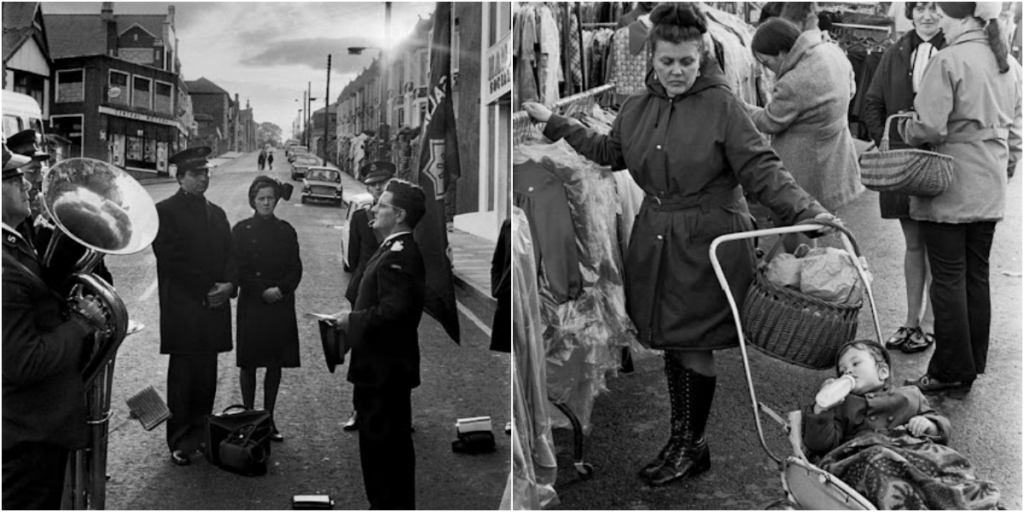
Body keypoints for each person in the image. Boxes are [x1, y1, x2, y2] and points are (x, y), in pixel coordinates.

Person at [522, 3, 837, 487]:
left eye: (686, 62)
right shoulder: (636, 107)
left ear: (702, 55)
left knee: (693, 344)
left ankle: (692, 443)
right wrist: (554, 122)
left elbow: (762, 169)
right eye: (667, 62)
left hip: (708, 239)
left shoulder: (724, 105)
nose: (676, 72)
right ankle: (684, 439)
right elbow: (612, 153)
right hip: (658, 236)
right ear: (653, 57)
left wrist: (805, 211)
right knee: (673, 343)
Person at [899, 2, 1021, 396]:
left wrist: (907, 127)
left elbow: (929, 126)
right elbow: (1016, 131)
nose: (941, 25)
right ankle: (970, 364)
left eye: (946, 17)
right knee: (976, 276)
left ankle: (950, 370)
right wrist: (1006, 164)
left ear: (965, 18)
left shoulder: (947, 60)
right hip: (989, 186)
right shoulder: (1010, 64)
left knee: (948, 279)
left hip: (950, 184)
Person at [2, 145, 106, 509]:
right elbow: (22, 362)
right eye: (14, 179)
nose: (27, 185)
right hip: (30, 431)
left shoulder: (13, 244)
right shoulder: (4, 270)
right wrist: (80, 323)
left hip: (33, 426)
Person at [803, 340, 1000, 509]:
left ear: (883, 371)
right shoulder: (843, 405)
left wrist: (928, 425)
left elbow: (942, 430)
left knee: (947, 460)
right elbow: (821, 445)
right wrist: (822, 410)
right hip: (868, 456)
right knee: (878, 462)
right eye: (843, 370)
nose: (848, 371)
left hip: (913, 453)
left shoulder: (910, 395)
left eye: (855, 363)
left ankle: (962, 499)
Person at [331, 179, 426, 509]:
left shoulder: (399, 254)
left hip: (384, 373)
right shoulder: (390, 248)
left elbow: (394, 312)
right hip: (380, 371)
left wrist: (350, 320)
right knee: (381, 456)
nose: (373, 208)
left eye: (381, 205)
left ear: (399, 214)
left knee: (385, 458)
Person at [863, 2, 946, 354]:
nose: (927, 15)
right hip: (901, 163)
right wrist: (890, 142)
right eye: (920, 7)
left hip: (939, 162)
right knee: (913, 245)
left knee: (939, 247)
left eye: (935, 8)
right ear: (910, 12)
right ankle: (912, 320)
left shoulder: (954, 49)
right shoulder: (895, 51)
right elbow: (872, 102)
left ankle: (930, 323)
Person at [152, 146, 238, 466]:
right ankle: (179, 439)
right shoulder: (165, 211)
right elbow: (173, 261)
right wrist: (207, 288)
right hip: (185, 309)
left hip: (213, 306)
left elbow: (232, 254)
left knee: (207, 376)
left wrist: (229, 285)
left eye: (205, 173)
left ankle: (201, 433)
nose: (202, 178)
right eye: (195, 174)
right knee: (183, 379)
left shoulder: (217, 213)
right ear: (180, 177)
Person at [746, 18, 862, 251]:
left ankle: (805, 278)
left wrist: (741, 107)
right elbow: (851, 90)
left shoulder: (794, 81)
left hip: (804, 165)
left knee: (796, 226)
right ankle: (817, 274)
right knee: (820, 224)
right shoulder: (832, 51)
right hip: (835, 153)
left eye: (766, 62)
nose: (767, 69)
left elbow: (770, 121)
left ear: (781, 53)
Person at [232, 176, 302, 442]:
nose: (265, 203)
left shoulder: (286, 230)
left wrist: (281, 290)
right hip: (253, 303)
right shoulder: (241, 230)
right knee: (249, 363)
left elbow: (295, 268)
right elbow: (238, 268)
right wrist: (262, 289)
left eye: (270, 198)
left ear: (276, 200)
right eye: (261, 198)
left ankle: (269, 418)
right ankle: (249, 418)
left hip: (279, 305)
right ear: (253, 200)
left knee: (275, 363)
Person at [341, 160, 395, 432]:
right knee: (361, 351)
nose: (376, 188)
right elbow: (352, 258)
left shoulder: (399, 216)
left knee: (394, 352)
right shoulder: (361, 217)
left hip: (392, 293)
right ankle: (358, 410)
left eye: (381, 183)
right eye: (372, 184)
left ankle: (396, 412)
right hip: (363, 292)